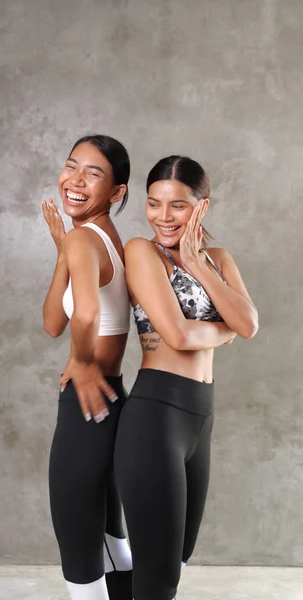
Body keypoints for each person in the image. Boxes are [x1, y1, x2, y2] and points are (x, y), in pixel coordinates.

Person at [114, 155, 259, 600]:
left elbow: (249, 325)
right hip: (156, 416)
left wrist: (197, 266)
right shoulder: (141, 251)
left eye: (177, 205)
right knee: (159, 578)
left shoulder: (217, 259)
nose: (163, 217)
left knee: (176, 555)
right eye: (154, 204)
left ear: (202, 207)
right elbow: (177, 335)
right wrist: (224, 330)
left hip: (200, 416)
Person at [42, 135, 133, 600]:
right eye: (71, 166)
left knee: (79, 541)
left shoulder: (85, 237)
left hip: (86, 401)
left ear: (117, 192)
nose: (74, 180)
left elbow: (84, 318)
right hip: (113, 394)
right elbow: (53, 321)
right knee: (110, 538)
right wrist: (62, 251)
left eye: (93, 173)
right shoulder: (99, 238)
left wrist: (80, 363)